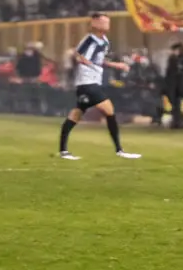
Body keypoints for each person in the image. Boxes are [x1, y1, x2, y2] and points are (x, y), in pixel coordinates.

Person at [59, 13, 141, 160]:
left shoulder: (104, 41)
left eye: (108, 22)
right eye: (104, 22)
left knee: (76, 114)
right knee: (109, 110)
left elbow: (100, 60)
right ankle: (119, 150)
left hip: (92, 82)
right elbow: (79, 56)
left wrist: (117, 65)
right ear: (95, 23)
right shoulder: (89, 39)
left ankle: (63, 151)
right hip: (87, 82)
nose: (107, 25)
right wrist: (86, 63)